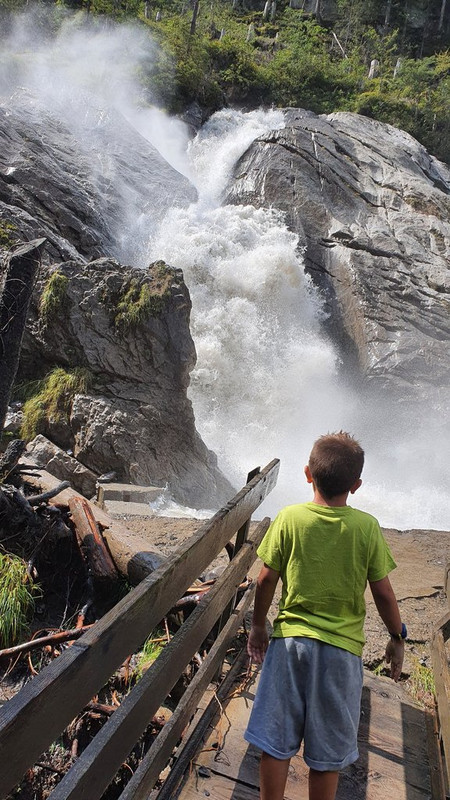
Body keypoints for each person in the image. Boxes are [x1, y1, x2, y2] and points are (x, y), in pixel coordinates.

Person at [244, 432, 405, 800]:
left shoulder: (289, 518)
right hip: (341, 655)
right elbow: (383, 592)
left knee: (276, 739)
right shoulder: (366, 528)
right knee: (327, 755)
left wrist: (257, 627)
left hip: (290, 646)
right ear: (356, 485)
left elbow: (266, 578)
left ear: (307, 474)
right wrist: (397, 638)